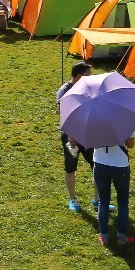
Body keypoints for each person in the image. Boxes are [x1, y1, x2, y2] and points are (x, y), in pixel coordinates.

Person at [57, 63, 94, 211]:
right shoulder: (64, 90)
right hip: (71, 137)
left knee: (96, 166)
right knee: (71, 168)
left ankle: (97, 199)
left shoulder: (89, 89)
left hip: (89, 134)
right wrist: (71, 136)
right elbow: (62, 115)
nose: (91, 77)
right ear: (79, 76)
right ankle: (73, 199)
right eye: (88, 74)